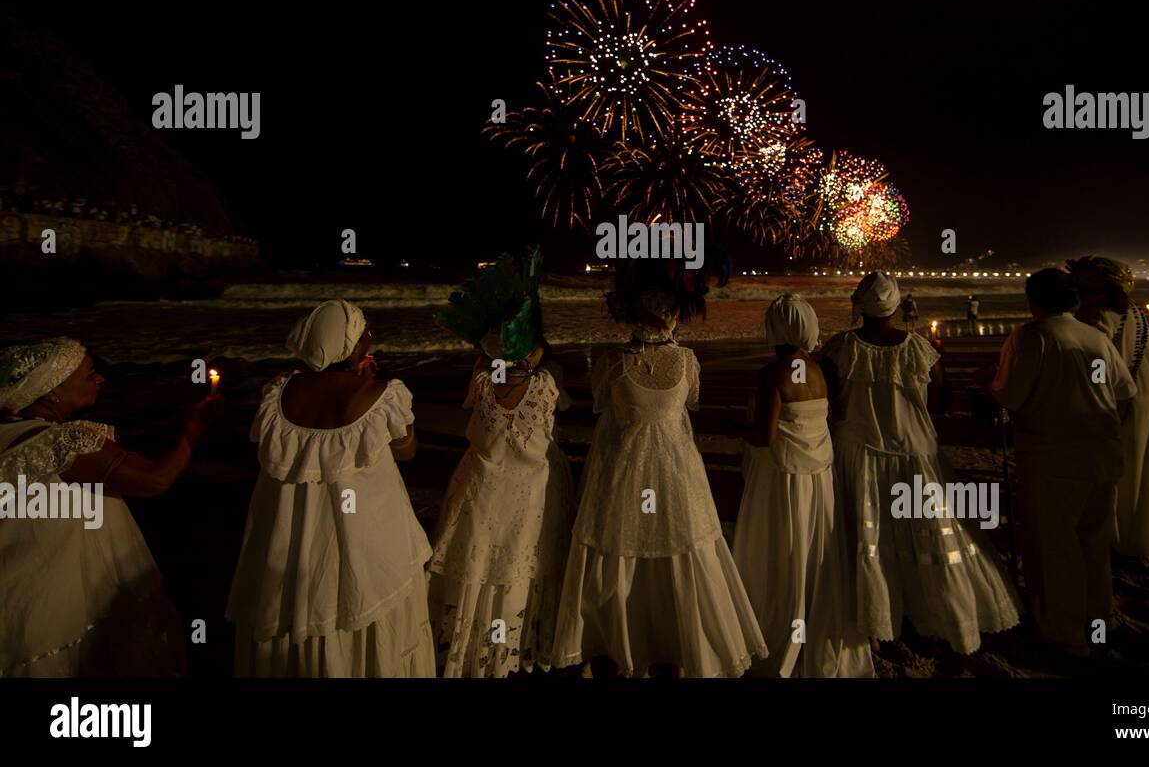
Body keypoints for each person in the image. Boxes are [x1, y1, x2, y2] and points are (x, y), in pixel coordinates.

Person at [554, 259, 767, 677]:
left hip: (632, 471)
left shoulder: (620, 361)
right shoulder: (680, 361)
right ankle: (656, 645)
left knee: (629, 553)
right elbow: (684, 406)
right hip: (667, 472)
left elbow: (604, 409)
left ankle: (627, 645)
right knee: (660, 551)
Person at [226, 300, 436, 676]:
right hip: (367, 540)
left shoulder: (277, 393)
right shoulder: (381, 395)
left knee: (303, 611)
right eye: (365, 329)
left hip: (291, 548)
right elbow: (407, 450)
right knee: (361, 607)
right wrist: (368, 384)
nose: (370, 333)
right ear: (354, 347)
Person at [822, 273, 1020, 655]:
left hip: (859, 452)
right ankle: (936, 613)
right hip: (915, 451)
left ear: (860, 307)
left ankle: (877, 623)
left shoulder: (840, 347)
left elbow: (830, 401)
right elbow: (941, 400)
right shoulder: (919, 347)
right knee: (926, 532)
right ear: (897, 307)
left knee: (869, 538)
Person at [1, 338, 218, 677]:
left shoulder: (8, 433)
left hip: (19, 597)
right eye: (89, 375)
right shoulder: (61, 442)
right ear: (52, 390)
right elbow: (155, 480)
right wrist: (195, 429)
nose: (100, 379)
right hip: (66, 600)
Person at [428, 248, 575, 677]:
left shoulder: (482, 382)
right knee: (517, 564)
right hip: (527, 494)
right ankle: (504, 647)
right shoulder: (546, 387)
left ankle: (462, 650)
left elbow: (490, 384)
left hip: (481, 490)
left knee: (477, 563)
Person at [991, 269, 1135, 656]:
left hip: (1053, 458)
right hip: (1100, 454)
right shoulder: (1096, 337)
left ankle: (1062, 633)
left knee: (1052, 547)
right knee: (1094, 544)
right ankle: (1097, 623)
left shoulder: (1032, 337)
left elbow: (1011, 396)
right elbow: (1124, 390)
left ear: (1033, 300)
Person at [729, 293, 873, 677]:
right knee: (814, 550)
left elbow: (765, 436)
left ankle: (778, 628)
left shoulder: (773, 374)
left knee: (781, 551)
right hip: (818, 477)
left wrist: (735, 428)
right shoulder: (820, 370)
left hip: (781, 479)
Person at [1068, 255, 1149, 563]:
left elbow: (1096, 362)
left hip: (1122, 398)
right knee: (1145, 469)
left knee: (1116, 472)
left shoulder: (1095, 313)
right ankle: (1141, 536)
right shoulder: (1134, 310)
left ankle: (1114, 537)